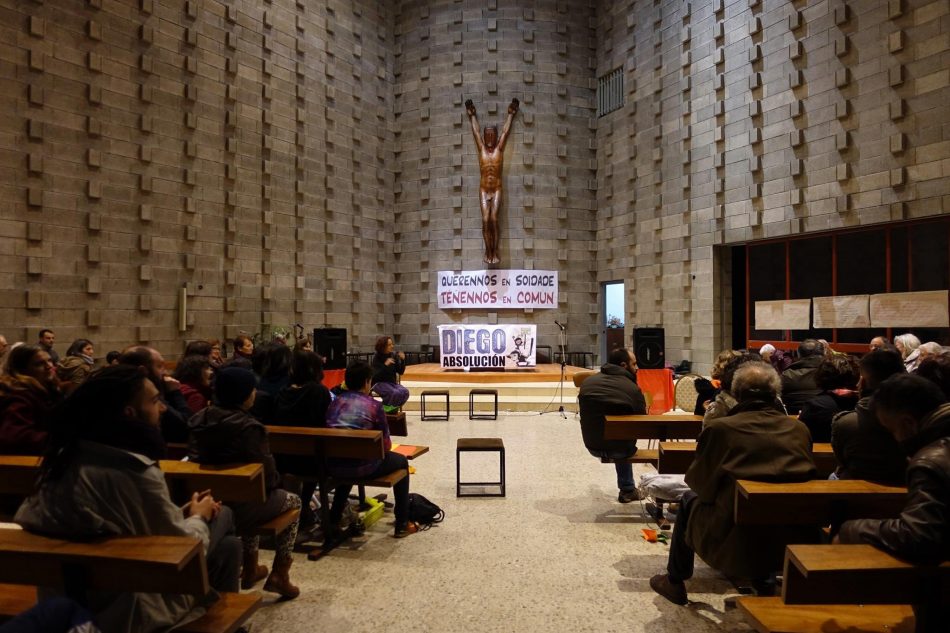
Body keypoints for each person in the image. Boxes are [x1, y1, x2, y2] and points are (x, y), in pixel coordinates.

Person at [14, 366, 241, 633]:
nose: (164, 409)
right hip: (128, 609)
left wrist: (185, 513)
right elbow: (182, 549)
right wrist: (199, 516)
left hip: (66, 594)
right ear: (130, 413)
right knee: (224, 517)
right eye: (156, 401)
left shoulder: (61, 461)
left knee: (228, 546)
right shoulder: (134, 471)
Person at [650, 361, 817, 605]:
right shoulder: (799, 429)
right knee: (764, 504)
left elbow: (700, 483)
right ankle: (764, 581)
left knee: (688, 499)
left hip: (733, 531)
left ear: (736, 393)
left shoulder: (722, 429)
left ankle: (675, 581)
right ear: (775, 394)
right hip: (790, 529)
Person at [837, 373, 949, 629]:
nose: (896, 440)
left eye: (891, 431)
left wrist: (852, 529)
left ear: (908, 423)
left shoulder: (931, 460)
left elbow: (920, 535)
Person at [187, 367, 301, 599]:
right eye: (252, 390)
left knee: (253, 494)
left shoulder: (198, 419)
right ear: (243, 394)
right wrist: (277, 483)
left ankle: (250, 568)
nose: (255, 394)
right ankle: (281, 573)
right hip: (241, 505)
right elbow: (267, 477)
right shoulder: (249, 428)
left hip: (209, 501)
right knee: (293, 501)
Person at [325, 361, 417, 538]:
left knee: (347, 459)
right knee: (402, 463)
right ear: (367, 382)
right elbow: (386, 445)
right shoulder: (374, 406)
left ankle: (334, 519)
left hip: (334, 465)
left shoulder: (335, 402)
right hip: (364, 467)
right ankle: (402, 523)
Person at [273, 350, 333, 530]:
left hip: (283, 459)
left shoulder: (282, 392)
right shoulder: (319, 392)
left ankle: (302, 507)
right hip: (313, 461)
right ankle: (307, 507)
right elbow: (326, 423)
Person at [577, 348, 647, 503]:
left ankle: (628, 488)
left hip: (592, 445)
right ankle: (628, 489)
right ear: (623, 365)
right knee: (622, 437)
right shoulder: (631, 388)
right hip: (621, 450)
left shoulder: (588, 383)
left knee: (616, 434)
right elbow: (643, 421)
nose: (636, 368)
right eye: (634, 364)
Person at [831, 348, 908, 485]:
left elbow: (842, 460)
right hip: (906, 483)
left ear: (863, 382)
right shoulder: (918, 418)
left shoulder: (846, 422)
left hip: (854, 491)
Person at [464, 97, 519, 264]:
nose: (489, 137)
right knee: (485, 220)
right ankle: (488, 251)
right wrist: (472, 115)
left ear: (494, 136)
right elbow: (475, 132)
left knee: (493, 218)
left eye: (491, 135)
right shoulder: (481, 149)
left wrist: (511, 114)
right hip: (483, 189)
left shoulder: (499, 149)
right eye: (487, 134)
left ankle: (495, 251)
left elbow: (505, 132)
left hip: (496, 189)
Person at [118, 347, 191, 444]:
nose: (165, 372)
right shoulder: (142, 393)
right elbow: (187, 426)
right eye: (159, 366)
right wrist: (174, 392)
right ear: (143, 371)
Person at [0, 345, 62, 454]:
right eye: (39, 364)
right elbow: (14, 437)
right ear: (23, 370)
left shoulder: (48, 388)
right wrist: (59, 438)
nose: (49, 366)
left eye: (49, 360)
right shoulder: (20, 396)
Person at [798, 354, 859, 443]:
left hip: (820, 455)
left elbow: (802, 436)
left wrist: (801, 419)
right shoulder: (863, 403)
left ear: (821, 376)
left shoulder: (814, 405)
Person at [780, 338, 826, 415]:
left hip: (793, 419)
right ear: (823, 353)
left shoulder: (786, 375)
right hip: (827, 418)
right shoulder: (830, 372)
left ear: (799, 355)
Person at [371, 336, 409, 410]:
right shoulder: (377, 357)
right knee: (394, 393)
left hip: (392, 383)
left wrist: (403, 360)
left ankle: (390, 410)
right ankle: (385, 410)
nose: (392, 346)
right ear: (383, 346)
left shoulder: (392, 355)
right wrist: (385, 365)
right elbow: (375, 376)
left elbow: (400, 372)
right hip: (379, 383)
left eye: (392, 344)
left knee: (405, 392)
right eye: (389, 345)